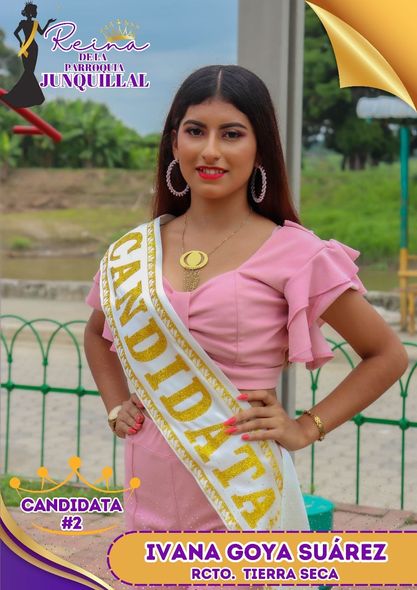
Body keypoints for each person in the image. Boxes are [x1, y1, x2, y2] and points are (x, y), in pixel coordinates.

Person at [84, 64, 408, 589]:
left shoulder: (297, 253)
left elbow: (387, 355)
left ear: (260, 149)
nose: (210, 150)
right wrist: (117, 404)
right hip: (149, 486)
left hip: (242, 496)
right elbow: (96, 334)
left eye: (232, 134)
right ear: (174, 142)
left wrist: (307, 427)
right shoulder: (134, 251)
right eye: (196, 131)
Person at [3, 3, 55, 108]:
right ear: (30, 12)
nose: (35, 13)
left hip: (29, 48)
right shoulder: (27, 23)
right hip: (30, 48)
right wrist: (20, 42)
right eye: (34, 11)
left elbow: (40, 32)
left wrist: (48, 23)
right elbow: (16, 33)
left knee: (29, 72)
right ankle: (33, 97)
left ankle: (22, 97)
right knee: (29, 72)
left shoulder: (31, 23)